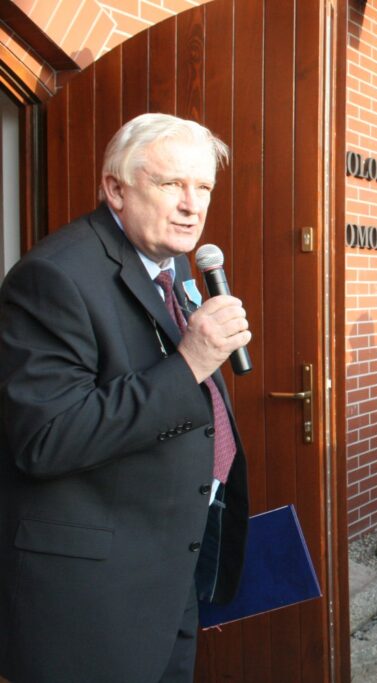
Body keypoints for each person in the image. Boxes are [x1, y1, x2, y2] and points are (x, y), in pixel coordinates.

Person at [0, 113, 251, 682]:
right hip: (91, 602)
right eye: (171, 185)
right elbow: (46, 439)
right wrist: (190, 361)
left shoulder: (165, 269)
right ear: (116, 188)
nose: (193, 205)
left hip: (166, 572)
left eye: (204, 187)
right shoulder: (54, 277)